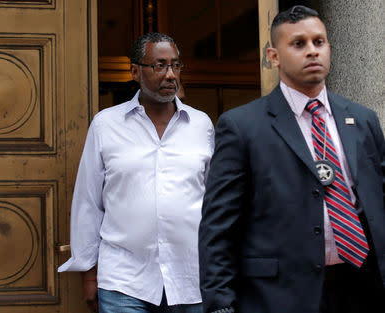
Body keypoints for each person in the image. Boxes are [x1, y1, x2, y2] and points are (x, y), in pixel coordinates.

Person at [199, 5, 385, 313]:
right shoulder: (242, 126)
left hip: (361, 288)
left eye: (318, 42)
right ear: (273, 56)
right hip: (279, 295)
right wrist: (220, 305)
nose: (312, 51)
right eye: (298, 44)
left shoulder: (362, 119)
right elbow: (218, 228)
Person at [59, 32, 214, 313]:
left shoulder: (201, 125)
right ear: (134, 71)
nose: (170, 75)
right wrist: (90, 275)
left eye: (176, 66)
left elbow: (214, 201)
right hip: (124, 281)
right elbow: (88, 203)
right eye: (159, 65)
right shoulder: (106, 125)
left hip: (190, 279)